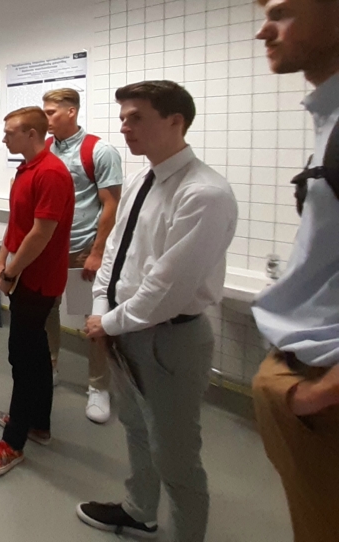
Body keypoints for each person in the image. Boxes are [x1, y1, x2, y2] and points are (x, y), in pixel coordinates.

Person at [78, 81, 237, 542]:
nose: (125, 127)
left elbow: (167, 287)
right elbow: (115, 252)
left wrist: (107, 321)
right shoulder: (140, 180)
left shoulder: (203, 193)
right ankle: (139, 510)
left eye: (137, 118)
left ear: (175, 121)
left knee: (176, 456)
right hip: (125, 329)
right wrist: (102, 305)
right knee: (135, 427)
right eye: (123, 118)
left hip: (170, 338)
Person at [249, 0, 339, 542]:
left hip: (322, 389)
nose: (264, 31)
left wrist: (318, 394)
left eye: (282, 14)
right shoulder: (328, 122)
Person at [0, 106, 74, 478]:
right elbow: (16, 224)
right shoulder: (26, 168)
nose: (4, 138)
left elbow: (41, 233)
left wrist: (11, 272)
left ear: (32, 134)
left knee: (24, 358)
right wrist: (2, 260)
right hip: (21, 275)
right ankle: (38, 423)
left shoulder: (51, 173)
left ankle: (13, 443)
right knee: (34, 354)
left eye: (10, 132)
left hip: (37, 281)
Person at [42, 87, 122, 423]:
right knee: (47, 310)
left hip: (83, 251)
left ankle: (98, 386)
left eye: (50, 112)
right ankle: (50, 367)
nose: (45, 119)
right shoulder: (45, 149)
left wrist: (97, 253)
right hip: (50, 250)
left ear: (71, 112)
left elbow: (111, 205)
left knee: (94, 320)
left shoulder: (98, 151)